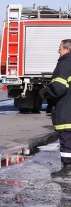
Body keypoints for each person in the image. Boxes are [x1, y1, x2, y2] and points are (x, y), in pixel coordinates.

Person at [42, 39, 71, 178]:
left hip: (67, 111)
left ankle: (67, 169)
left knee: (66, 140)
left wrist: (45, 92)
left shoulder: (65, 64)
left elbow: (58, 88)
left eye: (59, 48)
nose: (58, 51)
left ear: (66, 49)